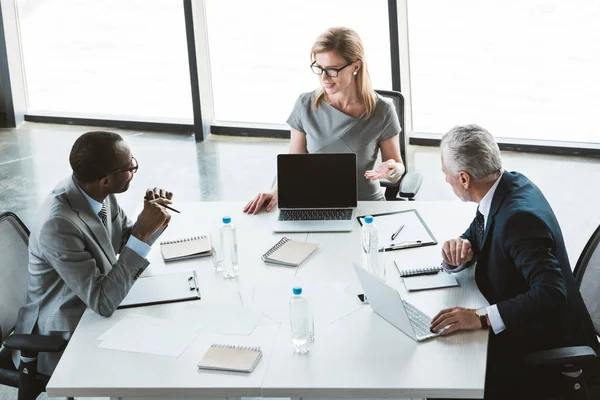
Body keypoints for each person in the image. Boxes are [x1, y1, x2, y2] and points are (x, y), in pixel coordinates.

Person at [428, 125, 597, 398]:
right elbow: (480, 226)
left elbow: (551, 292)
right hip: (526, 320)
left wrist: (480, 318)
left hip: (542, 344)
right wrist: (462, 245)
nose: (444, 178)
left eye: (445, 172)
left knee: (446, 368)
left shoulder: (518, 220)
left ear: (463, 178)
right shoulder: (508, 184)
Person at [13, 131, 174, 375]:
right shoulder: (57, 225)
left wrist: (152, 222)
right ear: (106, 180)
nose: (134, 169)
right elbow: (103, 302)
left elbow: (120, 242)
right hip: (67, 332)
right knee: (159, 360)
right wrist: (141, 233)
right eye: (130, 167)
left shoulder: (95, 192)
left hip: (96, 304)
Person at [244, 27, 405, 214]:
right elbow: (294, 164)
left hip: (364, 205)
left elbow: (397, 171)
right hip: (313, 202)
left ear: (356, 66)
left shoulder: (382, 110)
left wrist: (392, 169)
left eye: (332, 70)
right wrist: (276, 192)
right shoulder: (305, 104)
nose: (324, 78)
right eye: (319, 68)